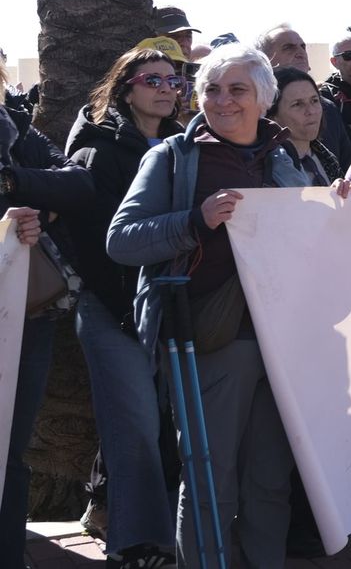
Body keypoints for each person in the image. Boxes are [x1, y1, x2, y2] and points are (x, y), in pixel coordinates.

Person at [106, 44, 331, 567]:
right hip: (209, 341)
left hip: (283, 345)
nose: (222, 100)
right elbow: (122, 240)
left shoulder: (286, 157)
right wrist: (196, 220)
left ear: (263, 98)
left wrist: (334, 208)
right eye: (211, 89)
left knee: (270, 482)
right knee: (211, 479)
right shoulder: (172, 158)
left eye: (237, 90)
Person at [62, 47, 187, 567]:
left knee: (160, 425)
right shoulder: (99, 149)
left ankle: (149, 530)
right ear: (125, 89)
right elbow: (88, 241)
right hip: (112, 308)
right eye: (152, 79)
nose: (166, 88)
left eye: (174, 81)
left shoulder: (184, 144)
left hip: (166, 308)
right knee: (134, 426)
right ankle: (135, 546)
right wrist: (124, 308)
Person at [1, 61, 92, 567]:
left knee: (10, 449)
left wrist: (15, 187)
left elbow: (77, 184)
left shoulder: (17, 125)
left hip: (25, 315)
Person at [256, 22, 351, 170]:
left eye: (303, 46)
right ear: (265, 61)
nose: (300, 52)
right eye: (288, 47)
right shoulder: (255, 112)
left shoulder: (327, 107)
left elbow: (347, 165)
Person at [271, 66, 341, 184]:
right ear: (273, 115)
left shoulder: (327, 158)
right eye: (297, 104)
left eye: (314, 100)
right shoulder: (265, 166)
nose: (311, 111)